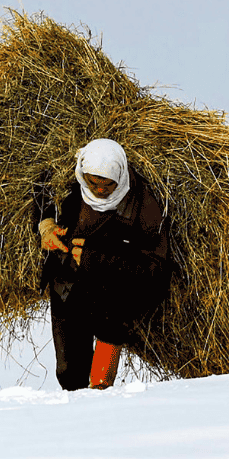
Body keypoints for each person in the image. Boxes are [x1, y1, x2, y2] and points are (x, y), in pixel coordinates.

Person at [34, 138, 173, 390]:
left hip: (113, 293)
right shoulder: (71, 183)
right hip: (66, 286)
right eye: (92, 183)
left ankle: (101, 399)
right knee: (69, 375)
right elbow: (41, 188)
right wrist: (46, 227)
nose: (99, 190)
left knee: (100, 380)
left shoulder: (144, 204)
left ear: (120, 176)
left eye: (107, 185)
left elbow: (156, 270)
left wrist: (92, 258)